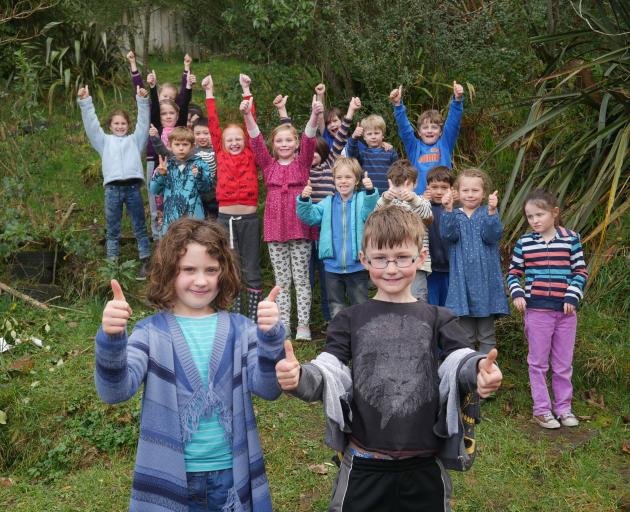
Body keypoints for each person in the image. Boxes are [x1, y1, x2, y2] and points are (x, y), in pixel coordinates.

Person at [275, 205, 503, 512]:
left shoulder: (440, 317)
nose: (391, 268)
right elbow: (330, 370)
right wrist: (299, 378)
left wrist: (479, 371)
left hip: (424, 465)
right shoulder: (349, 319)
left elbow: (459, 359)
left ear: (421, 258)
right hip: (364, 465)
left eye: (402, 258)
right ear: (364, 260)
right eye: (380, 259)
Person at [95, 217, 286, 511]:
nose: (201, 280)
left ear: (224, 273)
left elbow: (268, 389)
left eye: (211, 270)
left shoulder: (242, 330)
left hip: (231, 477)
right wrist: (111, 339)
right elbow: (115, 392)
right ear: (169, 271)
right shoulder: (149, 333)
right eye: (188, 270)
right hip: (171, 475)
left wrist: (270, 340)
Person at [242, 94, 323, 341]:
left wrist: (315, 114)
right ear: (274, 144)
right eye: (280, 140)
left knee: (301, 278)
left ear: (296, 143)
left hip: (299, 227)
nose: (285, 144)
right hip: (275, 228)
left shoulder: (302, 163)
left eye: (289, 140)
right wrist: (246, 115)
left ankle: (303, 325)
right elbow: (255, 141)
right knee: (281, 280)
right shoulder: (268, 165)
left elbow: (310, 138)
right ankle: (285, 323)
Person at [507, 189, 588, 429]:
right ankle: (541, 409)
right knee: (538, 363)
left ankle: (563, 408)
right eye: (530, 217)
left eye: (539, 215)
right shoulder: (524, 243)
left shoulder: (571, 238)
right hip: (537, 312)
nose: (535, 221)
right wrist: (518, 293)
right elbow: (513, 273)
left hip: (565, 313)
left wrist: (572, 297)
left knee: (563, 363)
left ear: (554, 213)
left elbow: (580, 272)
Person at [202, 73, 265, 321]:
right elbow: (213, 125)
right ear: (222, 143)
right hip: (225, 218)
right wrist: (209, 93)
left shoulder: (250, 152)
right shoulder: (219, 151)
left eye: (238, 139)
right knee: (232, 266)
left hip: (249, 219)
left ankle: (253, 317)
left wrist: (246, 89)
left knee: (251, 266)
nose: (235, 142)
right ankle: (235, 316)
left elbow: (252, 125)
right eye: (230, 140)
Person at [77, 84, 151, 279]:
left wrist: (142, 101)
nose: (120, 126)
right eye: (116, 124)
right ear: (110, 126)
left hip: (133, 188)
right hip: (112, 190)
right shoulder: (104, 141)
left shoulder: (136, 140)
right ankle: (112, 265)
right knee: (113, 228)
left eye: (123, 123)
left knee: (139, 226)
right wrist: (85, 102)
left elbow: (144, 123)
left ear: (128, 125)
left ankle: (145, 261)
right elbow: (91, 126)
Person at [297, 157, 379, 319]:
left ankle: (362, 336)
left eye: (348, 177)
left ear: (356, 181)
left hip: (357, 265)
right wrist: (305, 200)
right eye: (339, 178)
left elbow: (370, 213)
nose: (343, 181)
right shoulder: (327, 203)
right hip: (332, 266)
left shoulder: (363, 199)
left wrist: (370, 193)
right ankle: (339, 337)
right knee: (335, 305)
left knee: (360, 304)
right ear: (334, 180)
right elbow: (309, 217)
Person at [440, 168, 509, 353]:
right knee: (466, 334)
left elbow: (492, 236)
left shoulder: (488, 212)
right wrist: (447, 210)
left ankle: (487, 369)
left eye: (475, 190)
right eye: (465, 190)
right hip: (463, 283)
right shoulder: (454, 214)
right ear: (457, 192)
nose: (470, 195)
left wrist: (493, 211)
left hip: (485, 282)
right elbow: (447, 235)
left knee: (486, 334)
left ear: (484, 193)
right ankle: (469, 370)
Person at [308, 96, 361, 327]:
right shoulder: (302, 169)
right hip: (315, 227)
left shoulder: (331, 164)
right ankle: (331, 322)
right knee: (325, 278)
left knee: (347, 284)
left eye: (316, 152)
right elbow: (299, 138)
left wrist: (349, 111)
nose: (312, 157)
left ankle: (351, 325)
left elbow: (339, 138)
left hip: (336, 226)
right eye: (308, 153)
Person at [389, 82, 464, 193]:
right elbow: (405, 129)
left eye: (434, 127)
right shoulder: (414, 147)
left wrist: (457, 101)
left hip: (443, 196)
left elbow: (453, 123)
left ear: (440, 132)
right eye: (425, 127)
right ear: (419, 132)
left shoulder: (445, 144)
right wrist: (397, 105)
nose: (429, 130)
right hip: (419, 198)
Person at [375, 159, 433, 301]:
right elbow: (374, 217)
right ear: (390, 183)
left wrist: (413, 200)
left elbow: (427, 215)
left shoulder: (421, 201)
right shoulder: (387, 202)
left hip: (417, 262)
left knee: (417, 297)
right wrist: (385, 199)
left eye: (407, 184)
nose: (402, 189)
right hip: (391, 263)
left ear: (415, 183)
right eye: (397, 184)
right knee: (392, 300)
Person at [149, 127, 212, 236]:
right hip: (171, 218)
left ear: (192, 146)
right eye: (177, 144)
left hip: (194, 217)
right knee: (172, 248)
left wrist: (199, 175)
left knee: (194, 244)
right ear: (170, 146)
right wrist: (161, 175)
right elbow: (154, 189)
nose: (181, 148)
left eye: (185, 144)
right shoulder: (166, 165)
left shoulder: (200, 164)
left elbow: (206, 188)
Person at [424, 166, 456, 306]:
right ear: (427, 187)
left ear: (451, 189)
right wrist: (422, 203)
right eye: (434, 187)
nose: (438, 192)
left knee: (449, 307)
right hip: (430, 269)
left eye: (444, 187)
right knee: (432, 306)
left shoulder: (455, 208)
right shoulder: (423, 207)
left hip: (452, 268)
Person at [346, 114, 399, 193]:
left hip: (388, 195)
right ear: (364, 137)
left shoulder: (390, 152)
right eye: (369, 134)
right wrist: (354, 137)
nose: (373, 137)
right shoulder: (362, 154)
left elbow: (398, 173)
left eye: (376, 133)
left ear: (383, 135)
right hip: (367, 195)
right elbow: (351, 154)